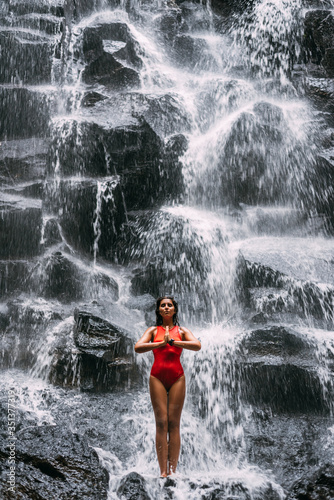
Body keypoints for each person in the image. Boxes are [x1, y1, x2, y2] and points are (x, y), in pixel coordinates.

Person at [134, 296, 201, 477]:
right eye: (162, 305)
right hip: (157, 377)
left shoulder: (182, 330)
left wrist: (174, 342)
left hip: (177, 377)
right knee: (161, 423)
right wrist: (161, 343)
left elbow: (197, 345)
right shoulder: (152, 330)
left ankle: (173, 470)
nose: (166, 308)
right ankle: (163, 471)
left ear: (174, 310)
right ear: (158, 310)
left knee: (174, 424)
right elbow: (138, 347)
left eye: (169, 305)